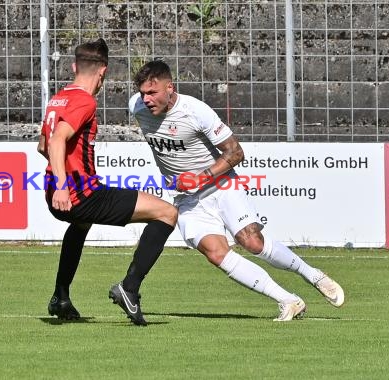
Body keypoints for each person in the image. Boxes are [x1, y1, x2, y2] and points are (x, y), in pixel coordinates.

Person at [129, 60, 345, 321]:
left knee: (251, 241)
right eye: (143, 93)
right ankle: (288, 300)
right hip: (186, 198)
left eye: (152, 93)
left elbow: (235, 152)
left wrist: (200, 178)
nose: (146, 99)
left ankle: (313, 274)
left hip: (221, 185)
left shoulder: (196, 111)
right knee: (216, 253)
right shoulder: (136, 107)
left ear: (170, 88)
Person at [37, 39, 177, 326]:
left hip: (56, 193)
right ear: (103, 72)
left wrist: (60, 179)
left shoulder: (58, 98)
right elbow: (55, 141)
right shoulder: (84, 101)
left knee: (81, 223)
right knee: (167, 213)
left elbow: (43, 146)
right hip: (80, 193)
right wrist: (66, 184)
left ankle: (61, 297)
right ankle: (130, 288)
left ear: (75, 66)